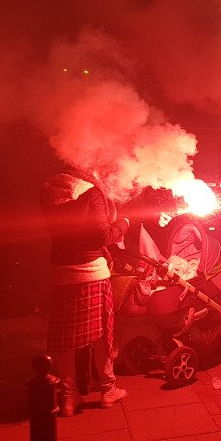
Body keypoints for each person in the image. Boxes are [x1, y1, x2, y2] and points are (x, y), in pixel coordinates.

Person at [39, 167, 129, 416]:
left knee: (66, 340)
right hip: (91, 272)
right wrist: (124, 224)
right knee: (102, 334)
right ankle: (108, 390)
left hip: (60, 273)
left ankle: (69, 397)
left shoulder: (47, 191)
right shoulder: (91, 192)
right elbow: (102, 235)